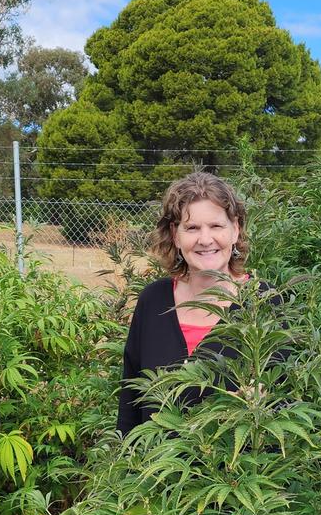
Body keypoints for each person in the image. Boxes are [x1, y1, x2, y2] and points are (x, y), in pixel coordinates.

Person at [116, 171, 283, 435]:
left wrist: (260, 406)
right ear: (175, 234)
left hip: (236, 471)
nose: (205, 240)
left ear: (235, 229)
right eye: (192, 228)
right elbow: (130, 400)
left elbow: (288, 397)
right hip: (157, 471)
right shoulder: (153, 300)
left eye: (216, 226)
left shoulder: (265, 301)